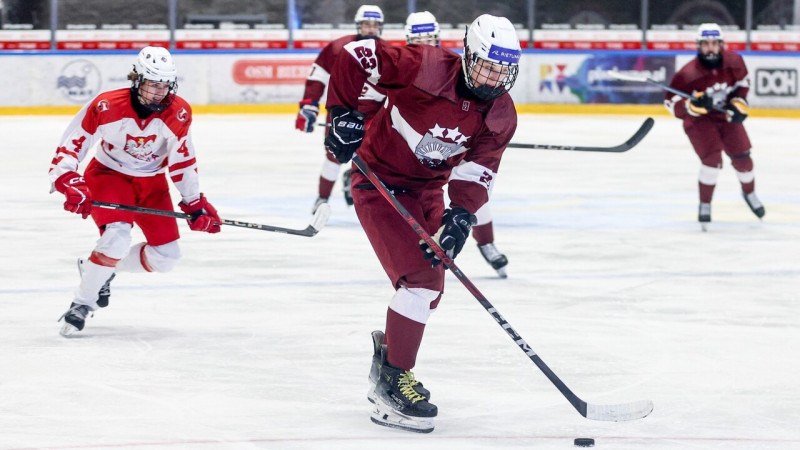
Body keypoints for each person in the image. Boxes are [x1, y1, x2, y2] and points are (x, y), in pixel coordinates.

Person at [324, 14, 520, 432]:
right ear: (467, 55)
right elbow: (355, 55)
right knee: (419, 282)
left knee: (431, 290)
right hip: (379, 182)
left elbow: (479, 169)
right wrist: (341, 112)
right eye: (486, 65)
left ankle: (388, 356)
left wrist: (461, 215)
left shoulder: (500, 112)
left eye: (503, 70)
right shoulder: (424, 65)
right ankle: (392, 381)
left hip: (428, 189)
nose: (493, 78)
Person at [48, 46, 221, 337]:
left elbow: (182, 161)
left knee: (166, 257)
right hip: (108, 175)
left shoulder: (178, 112)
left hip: (152, 183)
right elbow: (73, 144)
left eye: (164, 86)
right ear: (137, 79)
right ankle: (81, 304)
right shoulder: (106, 105)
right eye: (153, 84)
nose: (158, 93)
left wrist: (195, 203)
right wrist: (68, 178)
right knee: (116, 237)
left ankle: (99, 270)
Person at [404, 10, 509, 278]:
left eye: (430, 39)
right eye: (418, 40)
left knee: (474, 195)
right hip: (419, 156)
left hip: (452, 149)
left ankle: (487, 243)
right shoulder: (404, 68)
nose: (424, 45)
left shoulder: (452, 67)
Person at [665, 23, 764, 230]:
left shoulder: (735, 62)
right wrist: (691, 106)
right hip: (699, 120)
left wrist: (739, 103)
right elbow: (670, 103)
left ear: (721, 45)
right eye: (705, 44)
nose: (710, 48)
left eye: (714, 44)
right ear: (698, 46)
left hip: (725, 115)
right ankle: (705, 203)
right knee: (711, 161)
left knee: (743, 159)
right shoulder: (687, 74)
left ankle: (749, 192)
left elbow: (742, 84)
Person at [295, 4, 387, 214]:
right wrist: (309, 104)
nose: (371, 29)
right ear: (358, 25)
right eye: (366, 24)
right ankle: (322, 198)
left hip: (374, 115)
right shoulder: (338, 48)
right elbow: (317, 77)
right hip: (342, 112)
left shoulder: (389, 52)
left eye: (375, 25)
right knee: (334, 155)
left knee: (375, 159)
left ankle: (357, 184)